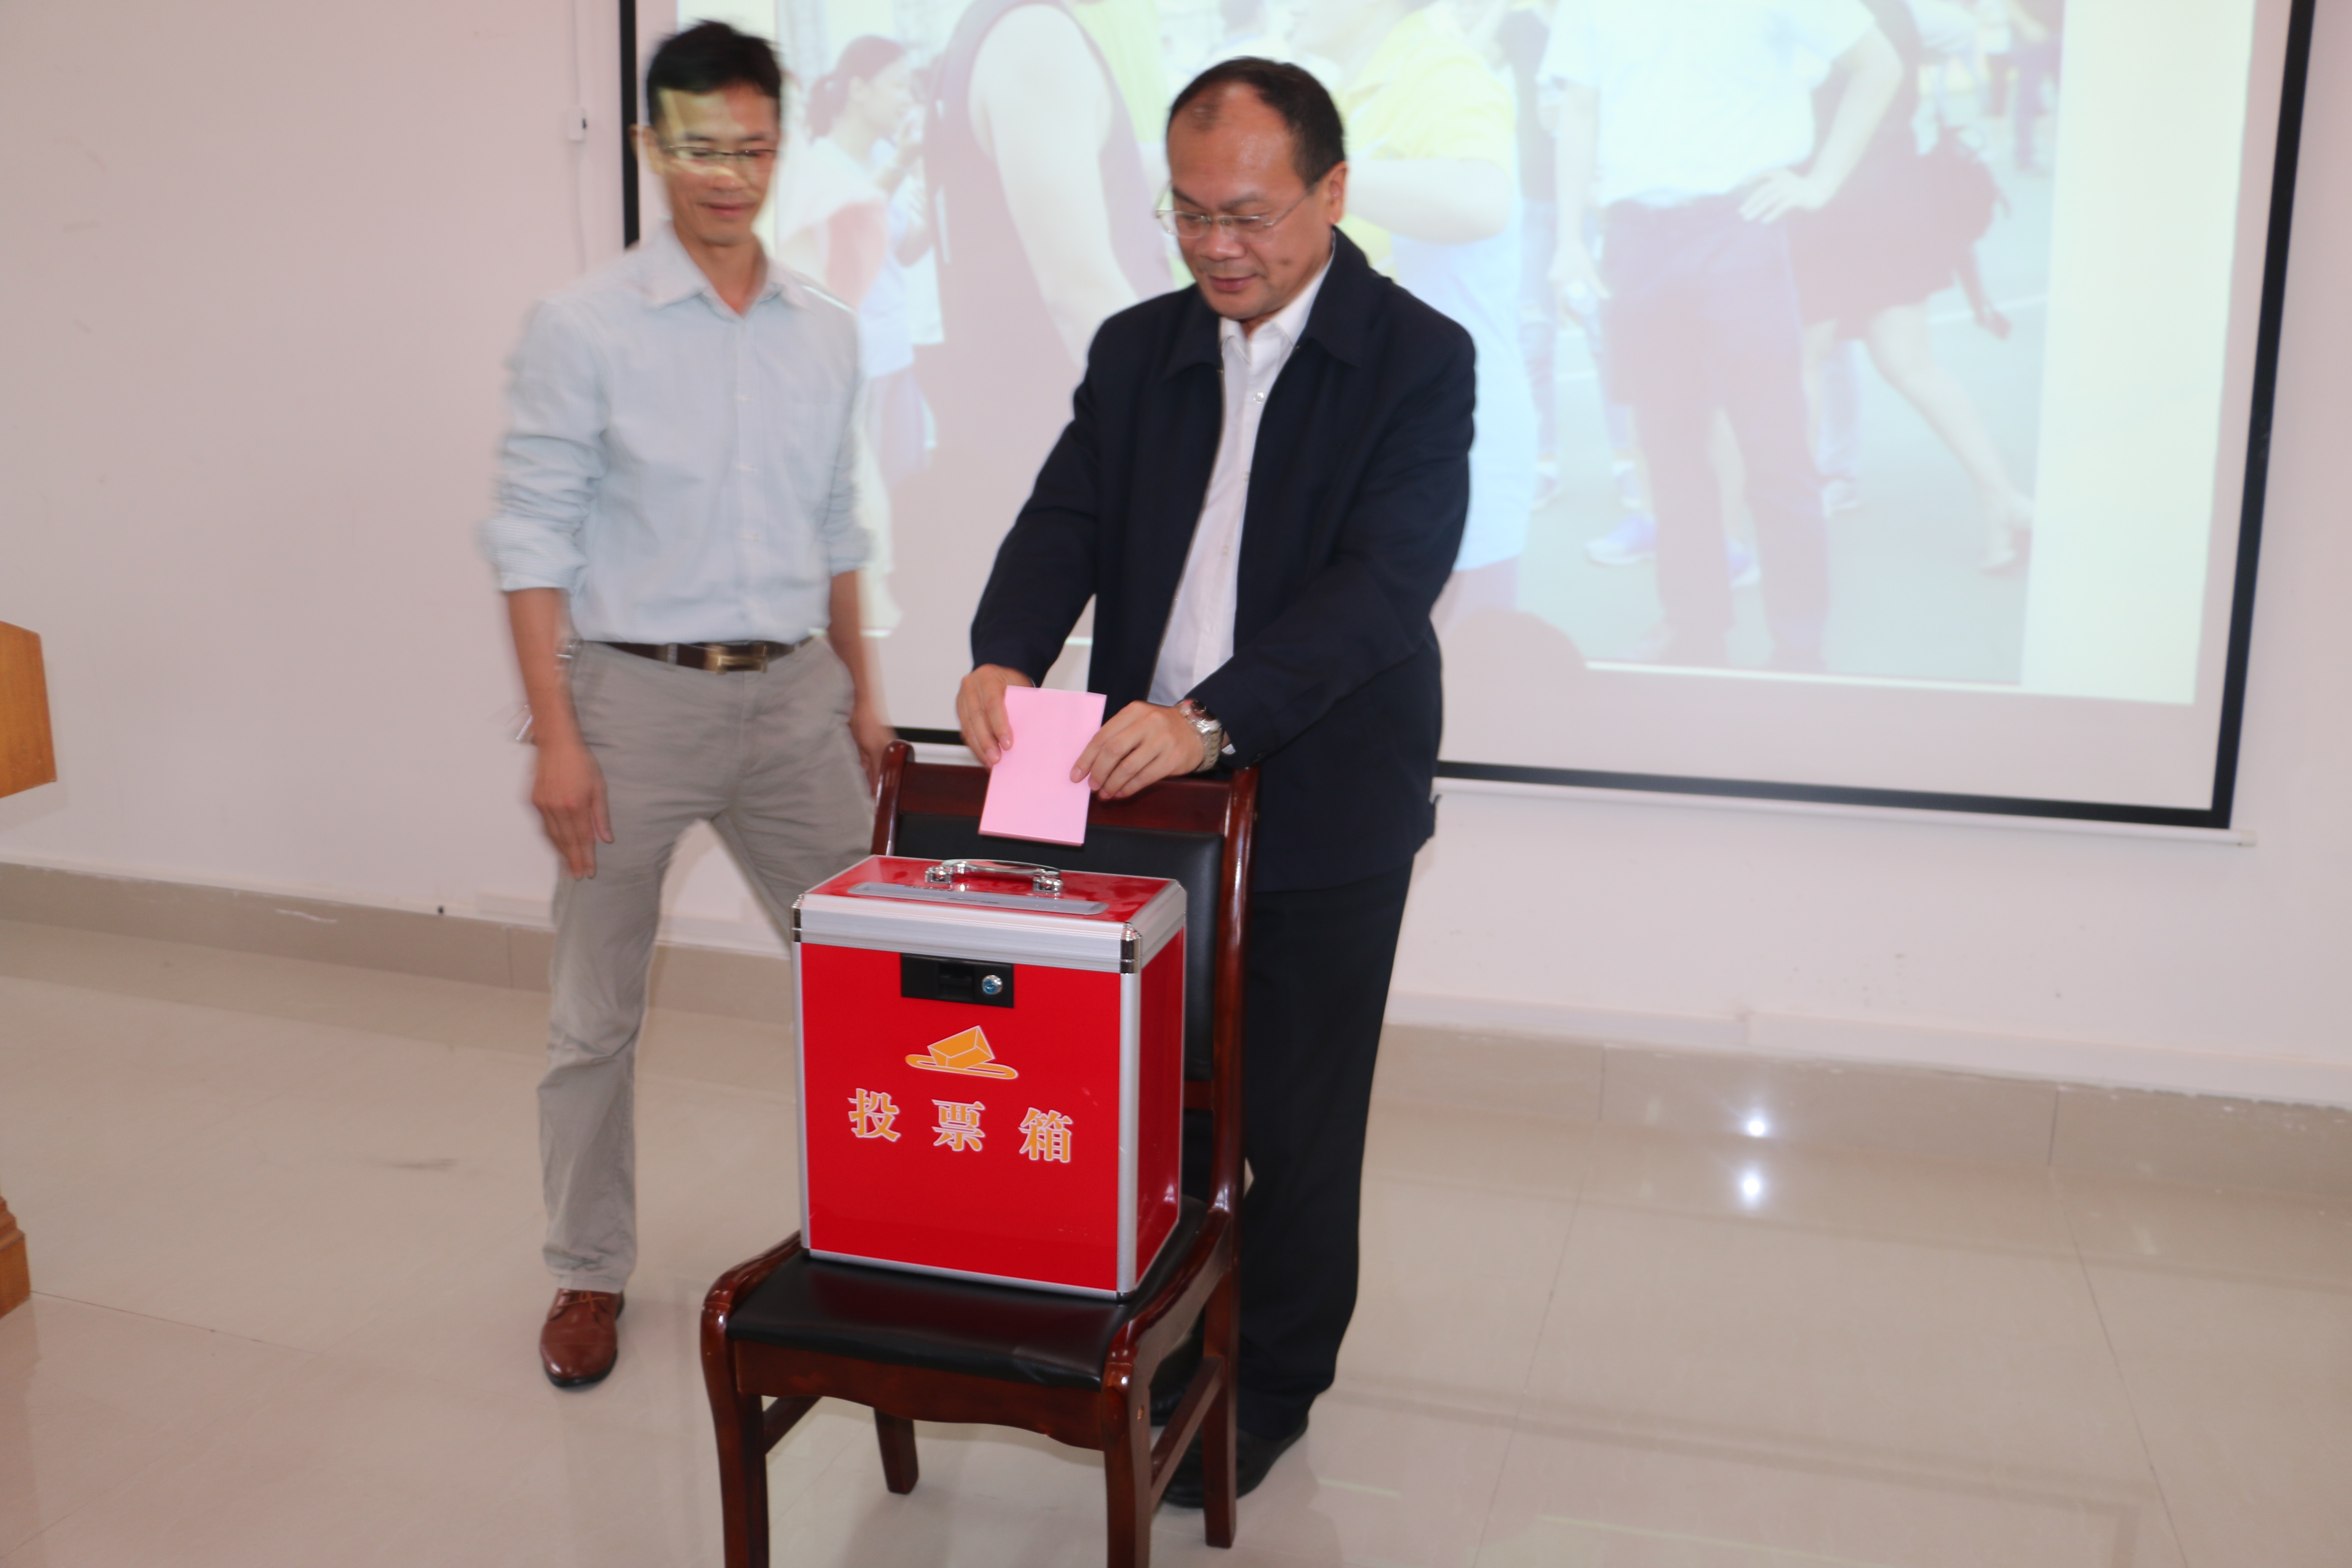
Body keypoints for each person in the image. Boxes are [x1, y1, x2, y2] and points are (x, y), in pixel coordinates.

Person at [956, 58, 1472, 1502]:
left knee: (1296, 1122)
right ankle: (1154, 1329)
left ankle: (1272, 1380)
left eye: (1249, 213)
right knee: (1150, 1102)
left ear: (1333, 191)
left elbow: (1383, 587)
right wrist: (1002, 653)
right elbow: (1067, 515)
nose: (1216, 245)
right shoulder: (1140, 347)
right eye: (1188, 214)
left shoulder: (1416, 356)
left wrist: (1213, 718)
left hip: (1322, 788)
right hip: (1145, 796)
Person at [478, 21, 890, 1390]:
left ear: (781, 150)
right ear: (653, 147)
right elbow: (532, 540)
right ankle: (587, 1271)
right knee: (594, 1015)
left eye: (753, 148)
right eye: (701, 147)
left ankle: (890, 1236)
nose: (729, 174)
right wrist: (559, 736)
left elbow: (837, 525)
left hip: (795, 705)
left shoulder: (827, 331)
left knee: (874, 990)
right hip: (632, 709)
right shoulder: (585, 326)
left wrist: (863, 700)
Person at [1547, 0, 1902, 669]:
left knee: (1775, 450)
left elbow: (1878, 62)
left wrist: (1823, 181)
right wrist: (1568, 240)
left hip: (1741, 226)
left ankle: (1799, 647)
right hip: (1636, 236)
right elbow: (1579, 109)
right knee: (1669, 451)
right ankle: (1693, 627)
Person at [1291, 0, 1540, 623]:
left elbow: (1480, 202)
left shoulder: (1442, 74)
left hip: (1443, 445)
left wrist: (1303, 175)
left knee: (1455, 665)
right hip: (1369, 441)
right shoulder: (1345, 94)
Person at [1788, 0, 2035, 570]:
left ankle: (1798, 533)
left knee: (1805, 361)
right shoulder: (1901, 11)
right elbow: (1961, 28)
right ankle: (2003, 500)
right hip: (1896, 195)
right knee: (1914, 365)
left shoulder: (1795, 17)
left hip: (1820, 200)